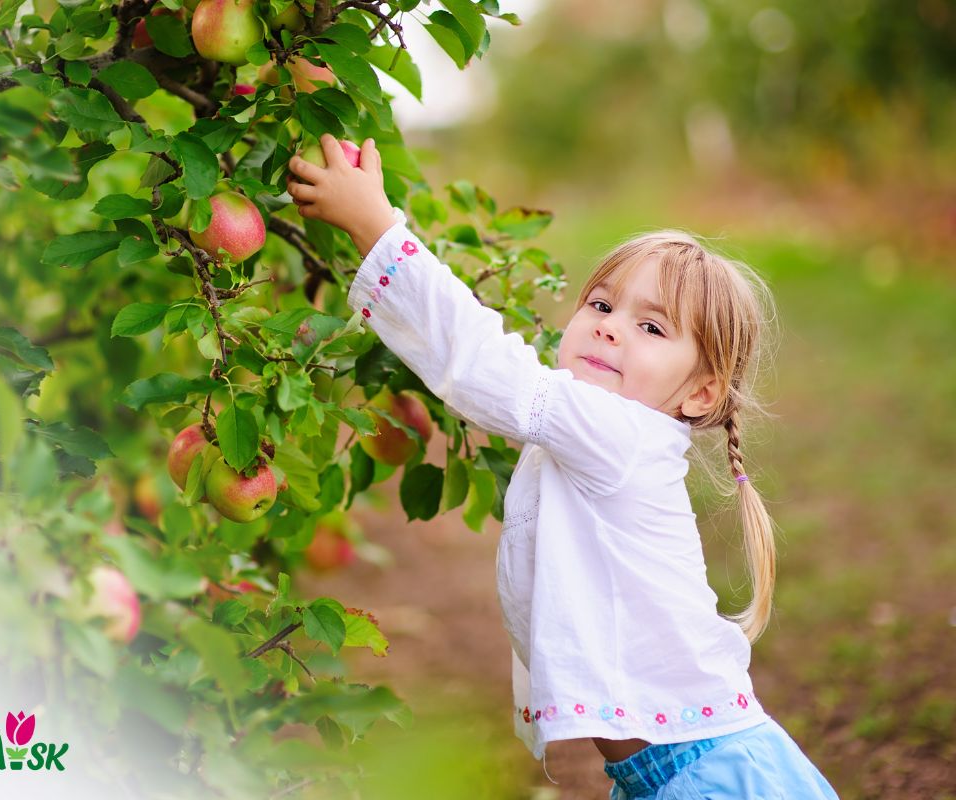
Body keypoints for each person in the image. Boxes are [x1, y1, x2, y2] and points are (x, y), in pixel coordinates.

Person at [286, 134, 842, 799]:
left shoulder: (623, 436)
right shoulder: (596, 436)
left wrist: (374, 224)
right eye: (602, 306)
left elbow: (483, 362)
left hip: (712, 775)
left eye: (653, 328)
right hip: (667, 771)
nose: (610, 327)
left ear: (699, 393)